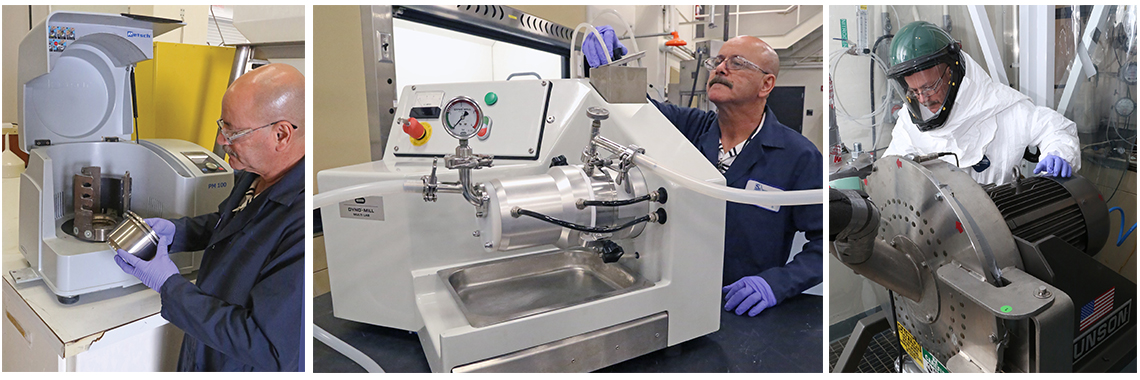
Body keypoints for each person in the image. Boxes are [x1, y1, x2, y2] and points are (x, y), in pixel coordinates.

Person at [587, 34, 823, 317]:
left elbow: (825, 242)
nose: (720, 68)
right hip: (673, 293)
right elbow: (636, 108)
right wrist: (615, 65)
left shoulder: (798, 156)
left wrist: (776, 284)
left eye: (737, 63)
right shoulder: (687, 128)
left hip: (741, 305)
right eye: (718, 61)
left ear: (766, 84)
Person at [113, 63, 305, 371]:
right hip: (203, 347)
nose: (220, 140)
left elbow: (269, 348)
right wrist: (176, 233)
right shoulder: (253, 174)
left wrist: (169, 284)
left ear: (280, 135)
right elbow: (230, 224)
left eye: (233, 130)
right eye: (222, 125)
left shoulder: (300, 223)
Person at [882, 21, 1080, 185]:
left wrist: (1058, 153)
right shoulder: (909, 124)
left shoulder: (1000, 106)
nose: (923, 99)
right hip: (940, 224)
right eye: (914, 91)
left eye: (929, 87)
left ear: (951, 71)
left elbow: (1056, 130)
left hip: (1002, 216)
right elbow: (891, 169)